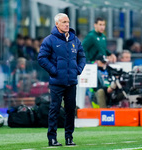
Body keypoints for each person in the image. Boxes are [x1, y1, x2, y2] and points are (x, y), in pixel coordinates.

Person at [38, 13, 86, 146]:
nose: (67, 24)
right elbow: (41, 58)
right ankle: (52, 138)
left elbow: (82, 57)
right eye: (64, 22)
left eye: (68, 22)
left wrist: (78, 70)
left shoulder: (75, 40)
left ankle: (69, 137)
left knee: (70, 110)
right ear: (57, 24)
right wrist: (55, 71)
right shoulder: (49, 40)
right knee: (54, 109)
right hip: (57, 82)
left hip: (71, 82)